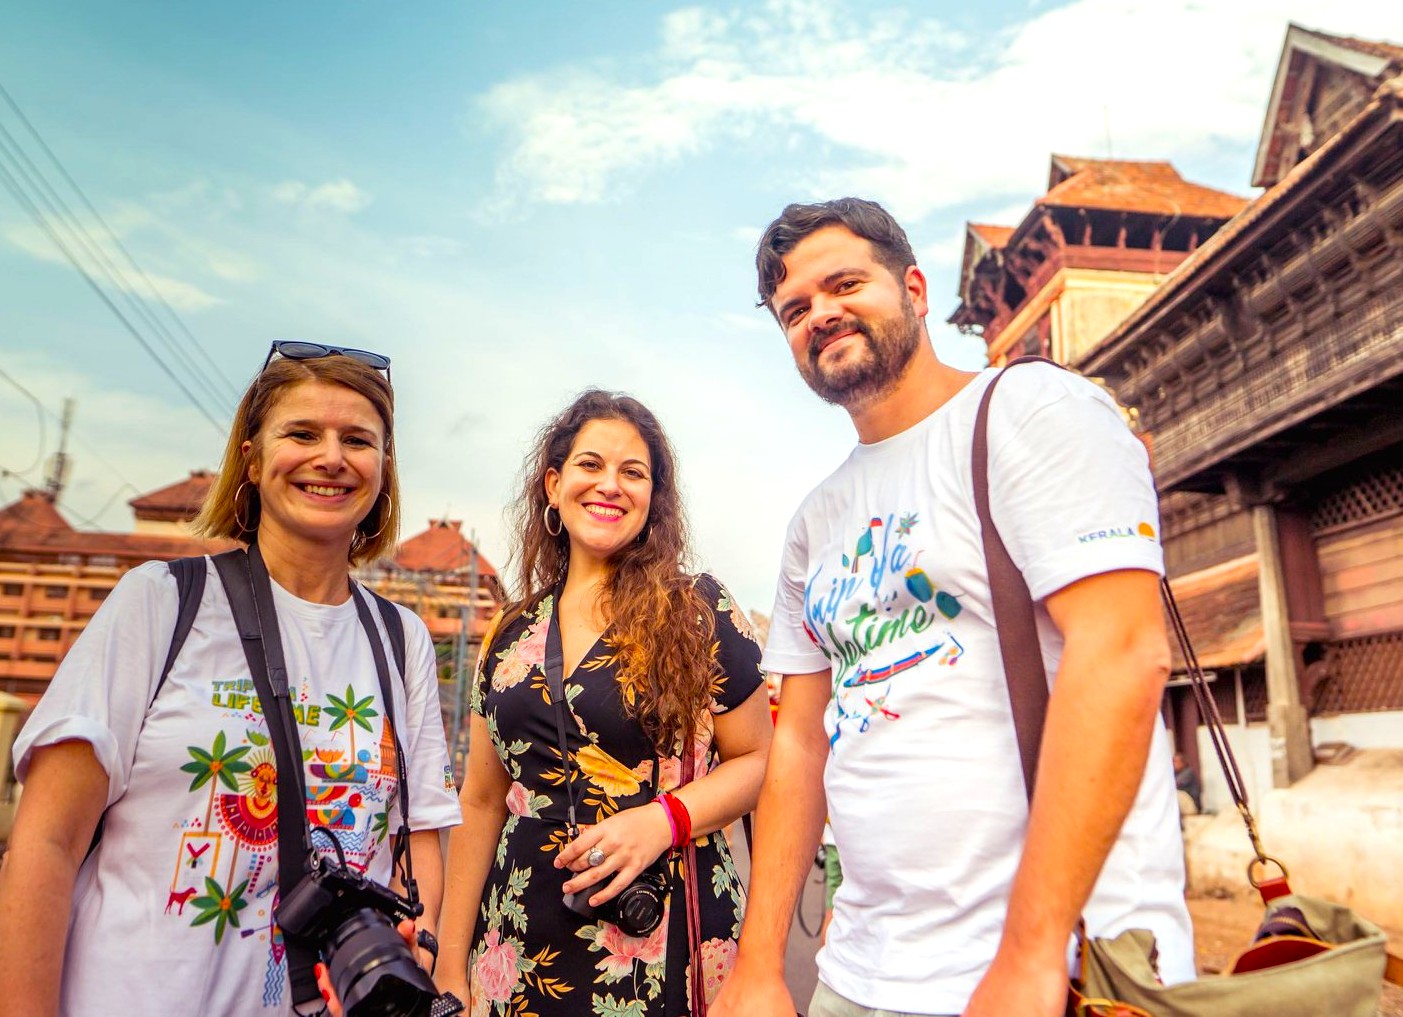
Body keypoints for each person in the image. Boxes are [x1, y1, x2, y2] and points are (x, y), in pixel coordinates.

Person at [712, 199, 1195, 1017]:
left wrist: (1029, 956)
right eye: (794, 309)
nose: (819, 313)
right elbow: (797, 739)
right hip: (860, 972)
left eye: (844, 283)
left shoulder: (1027, 411)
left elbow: (1120, 651)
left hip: (1055, 965)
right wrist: (759, 965)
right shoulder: (815, 521)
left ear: (913, 288)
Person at [0, 341, 462, 1016]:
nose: (331, 457)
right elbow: (45, 842)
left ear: (383, 470)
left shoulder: (400, 638)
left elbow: (420, 835)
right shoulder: (160, 601)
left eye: (357, 439)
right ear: (251, 457)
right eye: (301, 432)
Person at [435, 390, 772, 1015]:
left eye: (633, 472)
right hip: (517, 943)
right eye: (591, 466)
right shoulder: (509, 632)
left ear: (654, 498)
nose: (610, 485)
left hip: (663, 935)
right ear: (554, 485)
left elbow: (759, 761)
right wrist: (450, 963)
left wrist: (662, 820)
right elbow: (481, 800)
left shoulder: (701, 610)